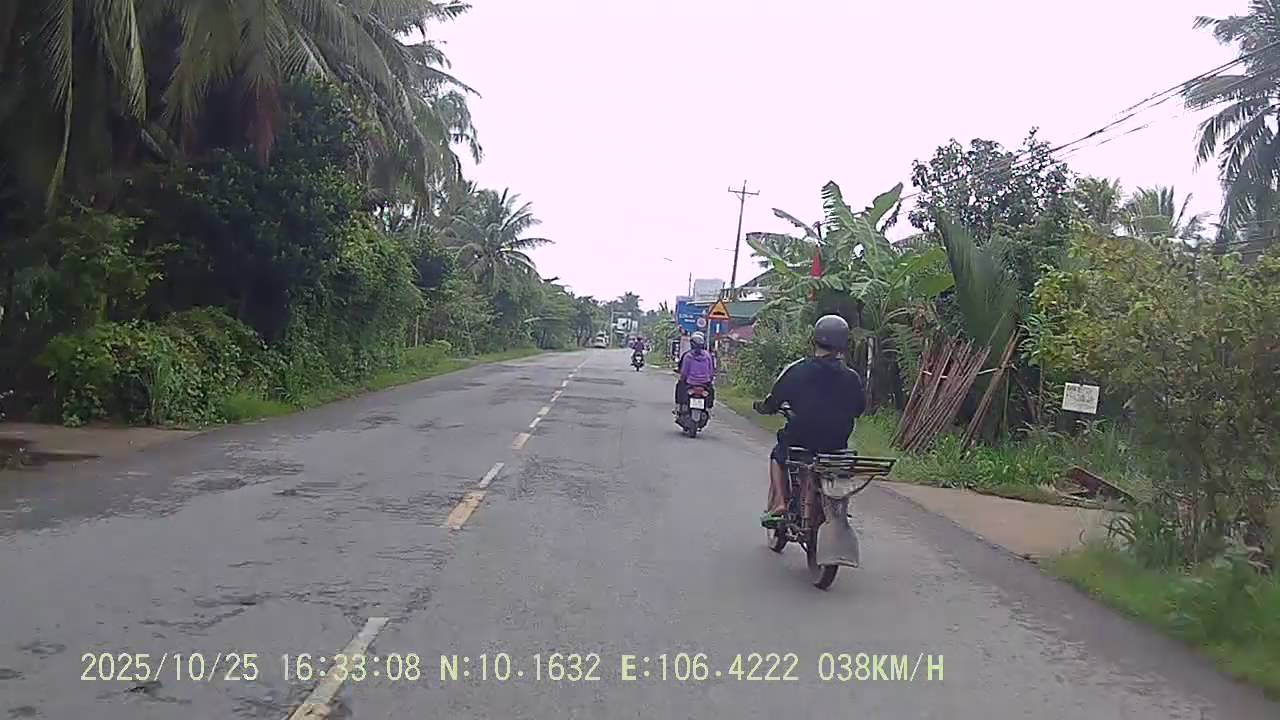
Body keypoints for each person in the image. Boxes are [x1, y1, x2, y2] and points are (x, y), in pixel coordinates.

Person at [753, 315, 866, 527]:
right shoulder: (851, 377)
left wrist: (765, 407)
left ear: (815, 339)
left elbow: (774, 400)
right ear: (844, 344)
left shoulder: (797, 370)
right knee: (839, 466)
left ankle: (780, 502)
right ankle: (837, 509)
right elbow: (859, 408)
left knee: (777, 455)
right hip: (835, 444)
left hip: (801, 439)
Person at [674, 331, 716, 413]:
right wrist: (710, 379)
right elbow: (711, 371)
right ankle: (709, 409)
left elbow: (684, 372)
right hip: (705, 383)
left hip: (690, 382)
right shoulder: (708, 356)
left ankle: (678, 406)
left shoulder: (688, 356)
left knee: (679, 386)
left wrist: (682, 378)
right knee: (711, 391)